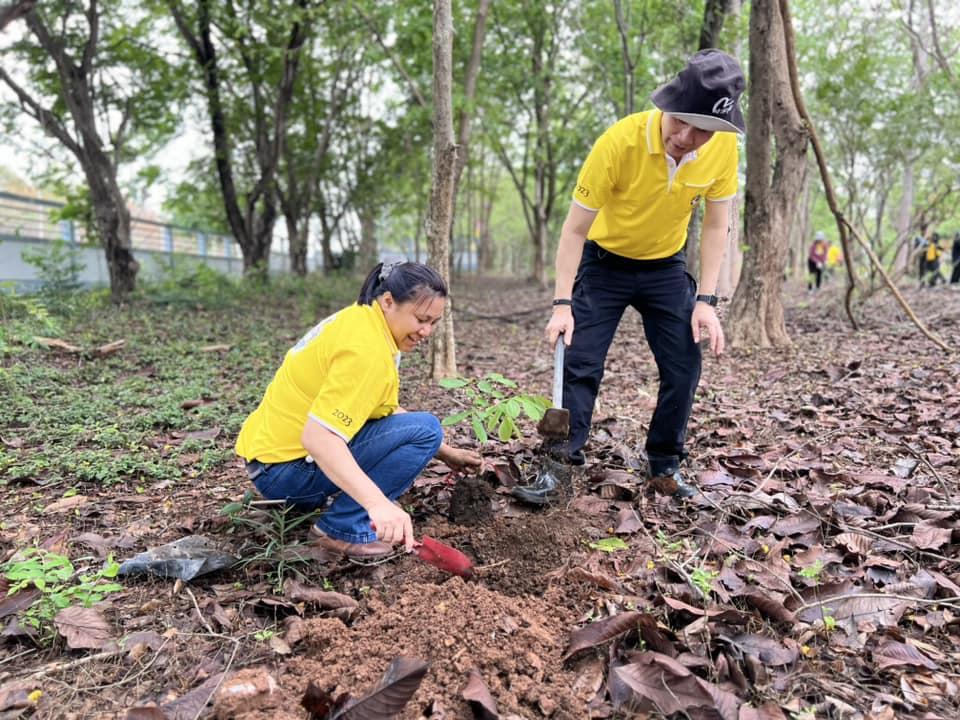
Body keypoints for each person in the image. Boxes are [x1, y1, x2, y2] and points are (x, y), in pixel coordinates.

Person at [527, 49, 745, 503]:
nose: (686, 137)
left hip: (666, 266)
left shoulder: (723, 149)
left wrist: (707, 299)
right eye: (678, 121)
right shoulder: (620, 142)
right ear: (666, 105)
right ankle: (560, 464)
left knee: (684, 364)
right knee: (581, 362)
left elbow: (716, 224)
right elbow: (574, 229)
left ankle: (664, 463)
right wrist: (561, 304)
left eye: (701, 129)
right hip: (604, 263)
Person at [235, 262, 482, 560]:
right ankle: (341, 528)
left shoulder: (362, 321)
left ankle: (338, 511)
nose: (427, 331)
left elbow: (383, 412)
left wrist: (446, 452)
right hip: (286, 473)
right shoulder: (367, 351)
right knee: (426, 430)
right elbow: (318, 437)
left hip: (269, 461)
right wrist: (378, 504)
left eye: (434, 322)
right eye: (420, 319)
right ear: (388, 301)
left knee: (426, 432)